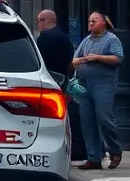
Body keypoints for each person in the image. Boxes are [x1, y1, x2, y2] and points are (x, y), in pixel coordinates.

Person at [72, 11, 124, 170]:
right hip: (84, 84)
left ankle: (115, 150)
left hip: (103, 85)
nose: (90, 24)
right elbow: (74, 61)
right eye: (89, 21)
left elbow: (118, 58)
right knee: (87, 121)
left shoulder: (111, 39)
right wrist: (81, 60)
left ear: (103, 23)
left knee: (104, 118)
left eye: (94, 21)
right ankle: (94, 157)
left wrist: (98, 57)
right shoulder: (86, 40)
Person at [37, 9, 81, 162]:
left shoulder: (44, 38)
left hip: (48, 79)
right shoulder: (64, 37)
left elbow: (40, 61)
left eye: (40, 20)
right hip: (63, 79)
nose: (38, 24)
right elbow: (69, 59)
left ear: (46, 21)